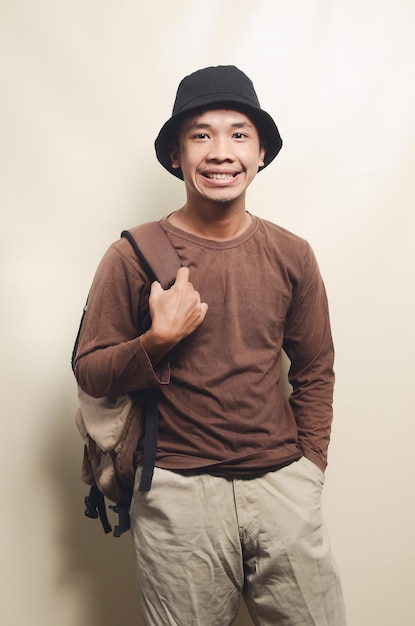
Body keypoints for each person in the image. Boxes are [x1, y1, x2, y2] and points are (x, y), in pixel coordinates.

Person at [74, 65, 347, 625]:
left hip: (280, 485)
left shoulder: (292, 254)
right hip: (176, 493)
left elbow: (316, 368)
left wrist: (309, 469)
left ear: (261, 152)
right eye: (201, 134)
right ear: (177, 154)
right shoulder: (131, 256)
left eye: (238, 134)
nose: (221, 151)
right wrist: (157, 341)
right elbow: (91, 372)